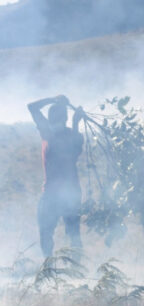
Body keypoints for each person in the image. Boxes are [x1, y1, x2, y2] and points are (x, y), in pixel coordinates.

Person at [28, 94, 85, 257]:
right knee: (73, 234)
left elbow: (31, 107)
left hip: (53, 193)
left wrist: (53, 99)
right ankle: (76, 269)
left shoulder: (48, 133)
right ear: (66, 118)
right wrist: (76, 122)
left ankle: (48, 267)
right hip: (71, 192)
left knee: (46, 233)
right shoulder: (73, 135)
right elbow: (75, 150)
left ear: (50, 119)